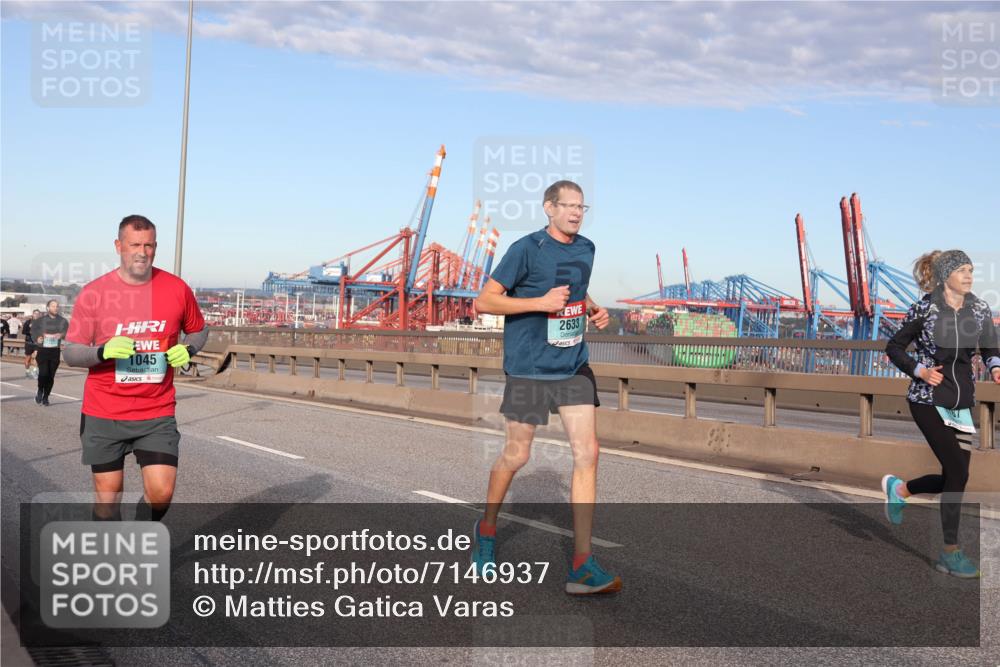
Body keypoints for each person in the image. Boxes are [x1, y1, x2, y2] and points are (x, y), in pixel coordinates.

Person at [470, 180, 620, 595]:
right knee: (517, 455)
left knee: (588, 453)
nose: (575, 213)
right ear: (548, 209)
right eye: (568, 206)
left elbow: (577, 289)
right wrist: (540, 303)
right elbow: (485, 301)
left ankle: (582, 564)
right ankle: (486, 531)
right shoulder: (526, 249)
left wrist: (593, 309)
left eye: (581, 207)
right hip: (529, 367)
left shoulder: (586, 248)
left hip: (572, 365)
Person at [64, 215, 207, 522]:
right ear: (119, 246)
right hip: (104, 411)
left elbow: (199, 330)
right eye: (134, 245)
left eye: (149, 245)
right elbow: (72, 352)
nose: (143, 252)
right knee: (107, 499)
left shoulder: (176, 288)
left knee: (161, 493)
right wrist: (103, 351)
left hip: (156, 410)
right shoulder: (95, 293)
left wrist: (189, 348)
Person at [883, 250, 1000, 578]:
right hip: (927, 400)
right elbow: (894, 347)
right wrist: (919, 370)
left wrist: (995, 365)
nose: (969, 276)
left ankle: (901, 489)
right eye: (962, 270)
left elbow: (990, 345)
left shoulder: (978, 309)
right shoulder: (925, 309)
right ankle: (950, 552)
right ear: (944, 274)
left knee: (956, 475)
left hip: (960, 405)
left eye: (971, 270)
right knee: (957, 473)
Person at [33, 299, 69, 406]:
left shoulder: (63, 321)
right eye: (53, 306)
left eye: (57, 306)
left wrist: (61, 335)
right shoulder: (40, 320)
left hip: (55, 351)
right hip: (43, 350)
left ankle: (46, 397)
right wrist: (37, 338)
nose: (55, 308)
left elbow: (67, 333)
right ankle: (40, 390)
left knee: (50, 376)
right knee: (43, 373)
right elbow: (34, 332)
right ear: (48, 308)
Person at [23, 310, 40, 378]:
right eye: (35, 313)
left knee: (37, 357)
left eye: (38, 314)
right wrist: (30, 331)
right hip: (29, 342)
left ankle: (35, 371)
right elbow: (23, 331)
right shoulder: (28, 322)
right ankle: (27, 371)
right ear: (33, 314)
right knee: (28, 359)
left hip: (37, 343)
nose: (36, 315)